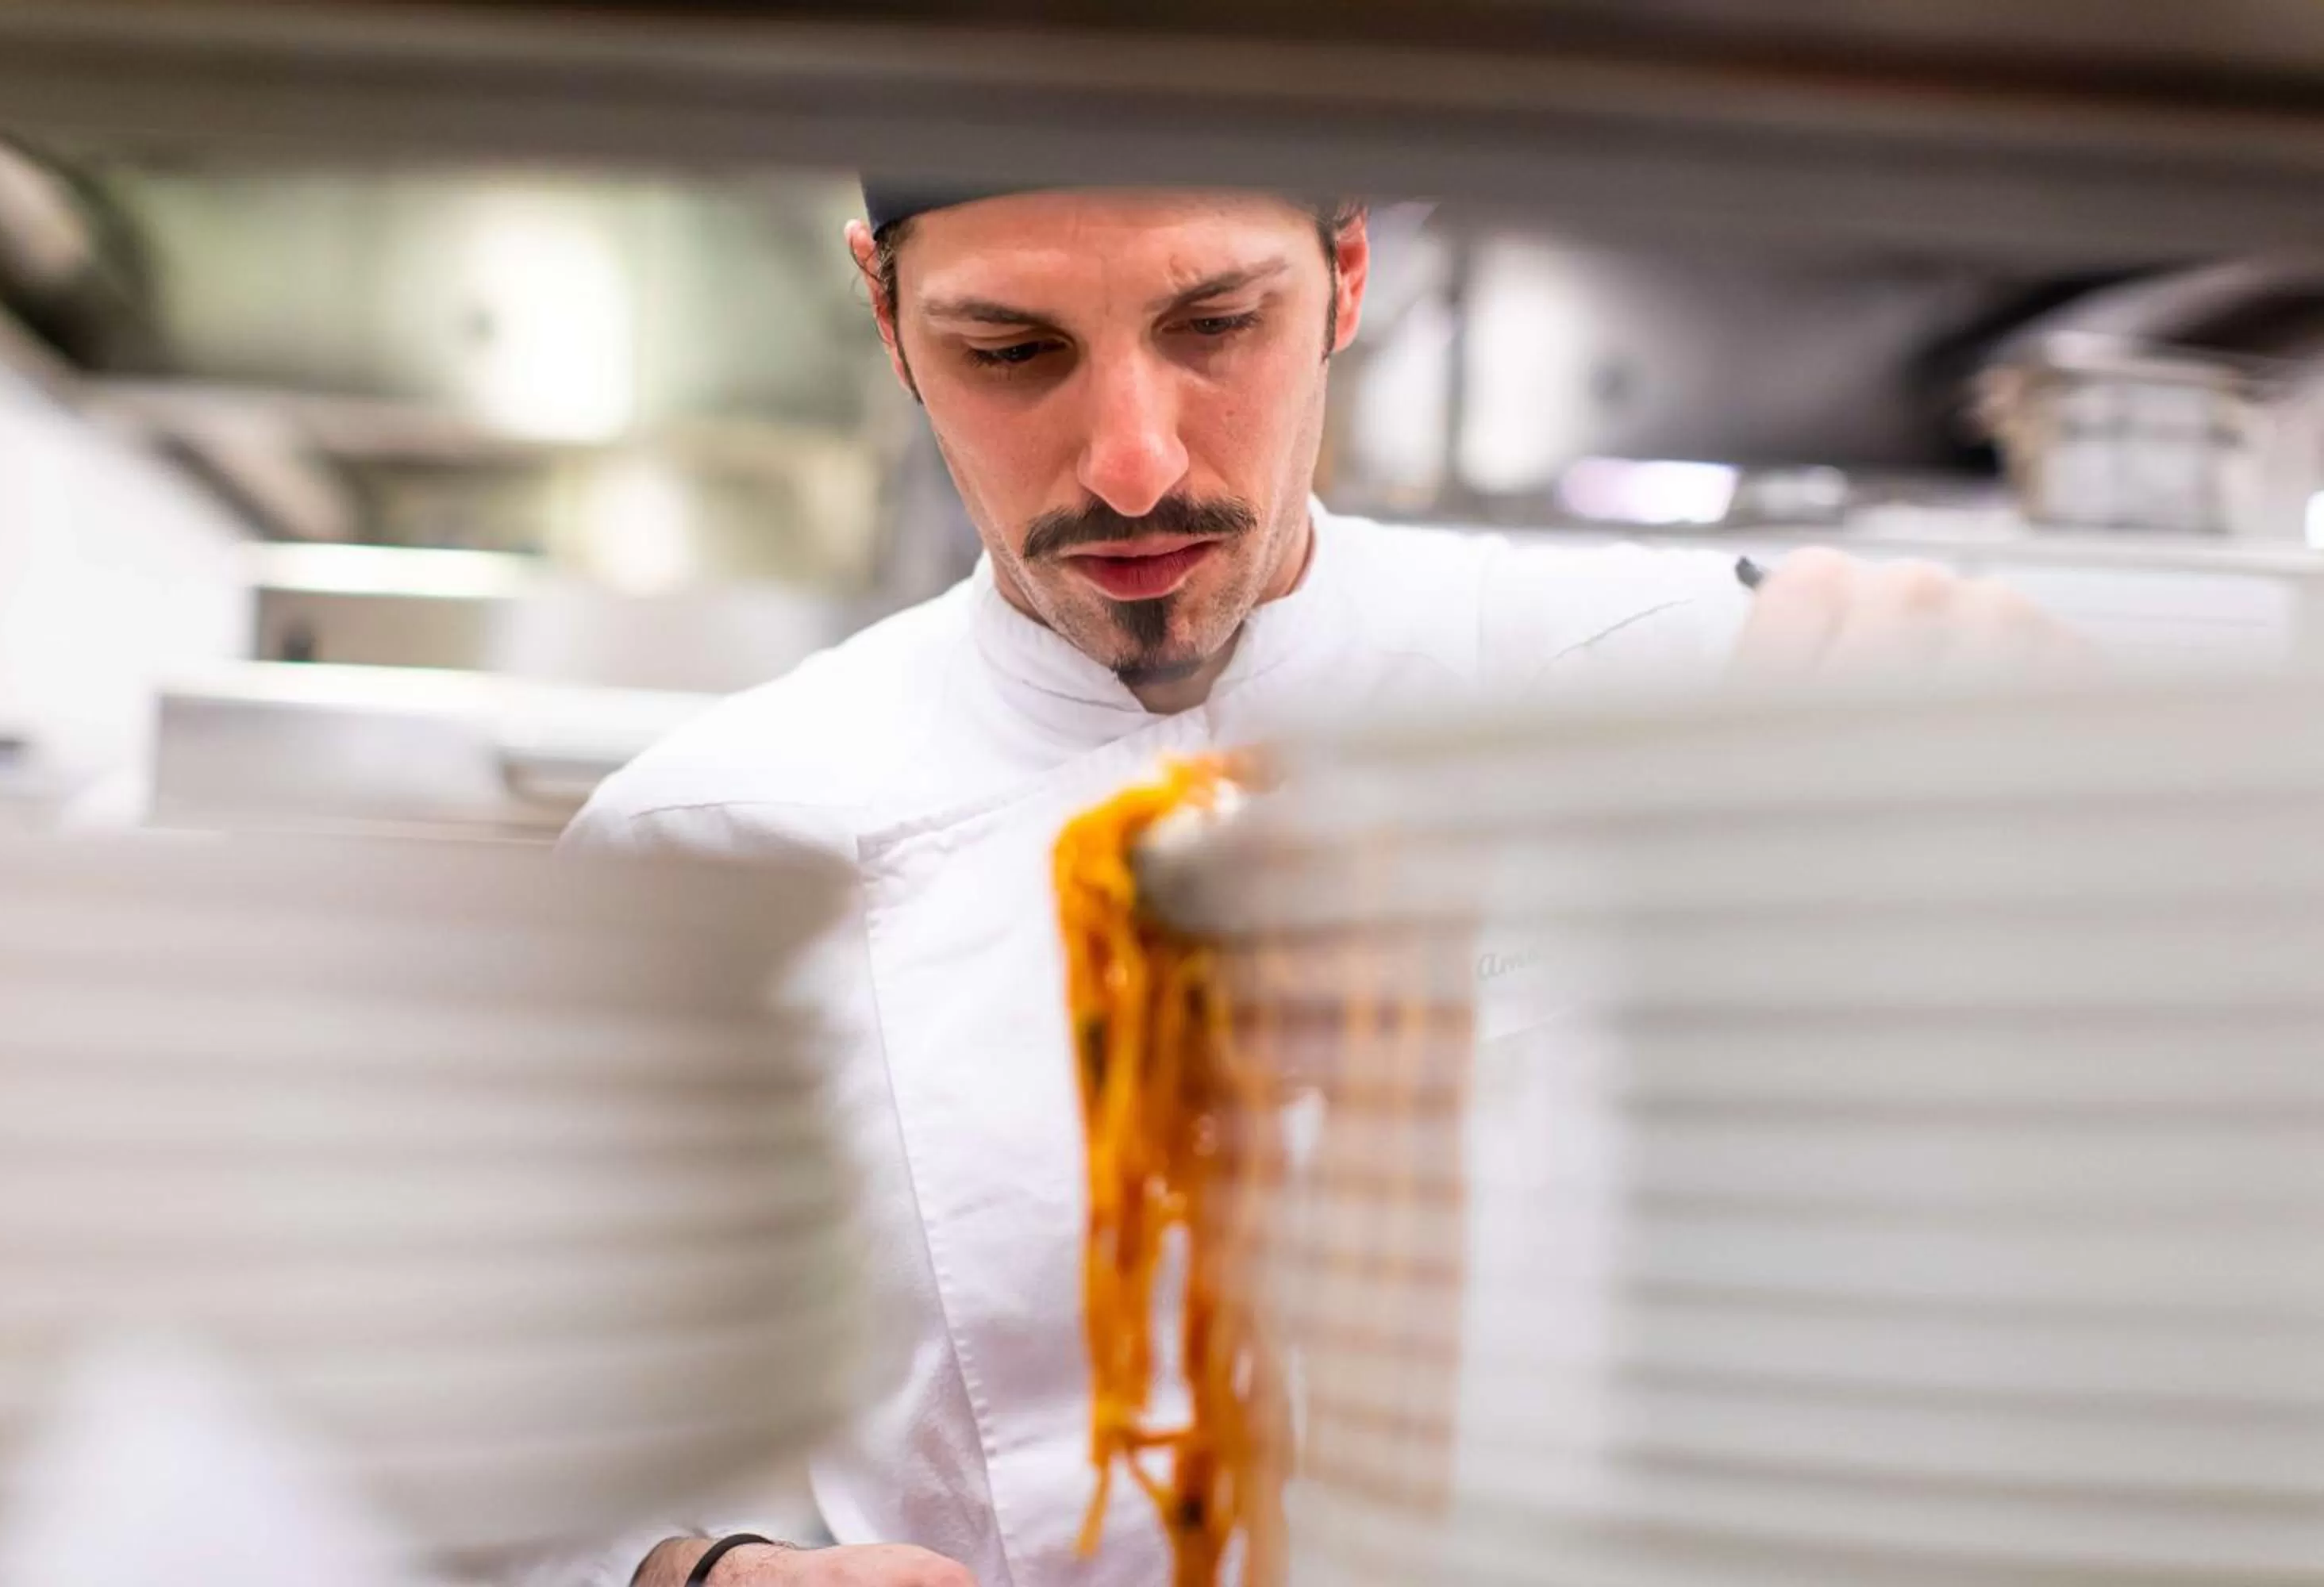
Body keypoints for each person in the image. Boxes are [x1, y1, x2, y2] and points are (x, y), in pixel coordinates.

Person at [560, 183, 2072, 1587]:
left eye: (1218, 326)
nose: (1133, 463)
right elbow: (512, 1464)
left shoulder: (1648, 684)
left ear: (1349, 276)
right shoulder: (709, 847)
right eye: (1013, 352)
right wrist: (698, 1578)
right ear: (886, 317)